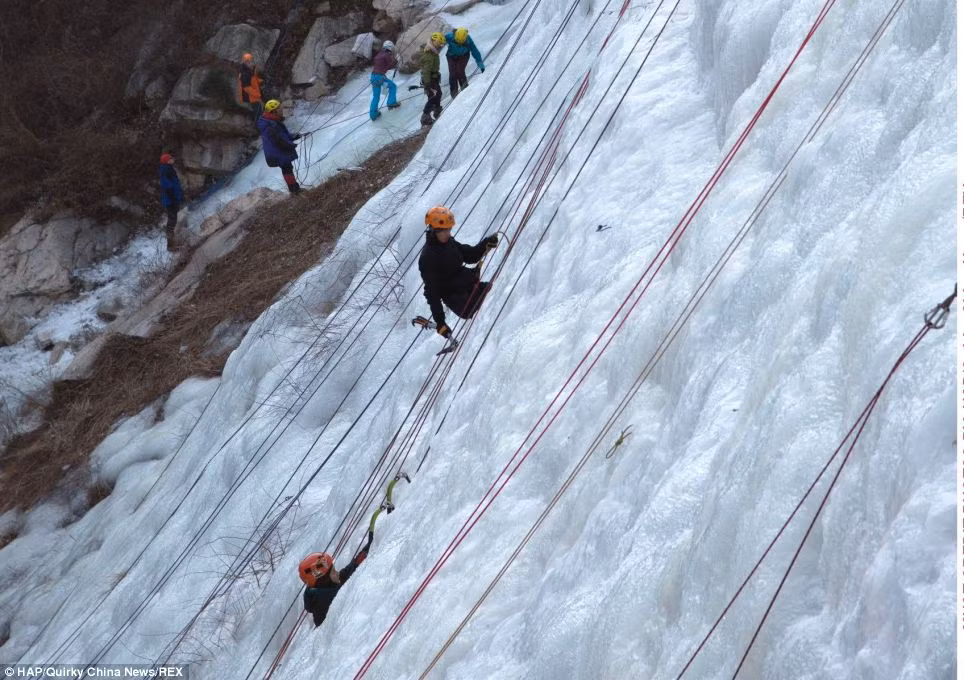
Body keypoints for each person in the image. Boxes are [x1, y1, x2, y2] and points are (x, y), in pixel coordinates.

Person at [418, 205, 498, 338]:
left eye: (449, 229)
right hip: (461, 302)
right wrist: (440, 322)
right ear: (433, 230)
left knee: (495, 291)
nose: (447, 233)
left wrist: (486, 244)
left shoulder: (449, 242)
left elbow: (470, 256)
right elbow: (432, 293)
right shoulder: (428, 258)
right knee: (489, 305)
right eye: (443, 231)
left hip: (471, 286)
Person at [300, 533, 371, 627]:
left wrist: (361, 556)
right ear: (323, 581)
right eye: (333, 572)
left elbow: (343, 575)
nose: (337, 573)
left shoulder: (325, 588)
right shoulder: (325, 600)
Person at [256, 99, 302, 194]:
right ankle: (295, 190)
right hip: (277, 152)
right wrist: (291, 145)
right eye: (279, 108)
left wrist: (293, 136)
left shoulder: (271, 122)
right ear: (274, 111)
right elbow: (278, 141)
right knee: (287, 168)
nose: (281, 110)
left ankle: (294, 189)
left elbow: (282, 136)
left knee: (287, 168)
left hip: (276, 152)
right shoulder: (270, 125)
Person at [444, 27, 485, 99]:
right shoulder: (449, 36)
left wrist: (481, 65)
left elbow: (475, 51)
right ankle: (454, 94)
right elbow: (440, 40)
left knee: (460, 71)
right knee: (453, 74)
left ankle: (465, 90)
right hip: (451, 56)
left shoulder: (469, 40)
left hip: (464, 55)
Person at [419, 32, 447, 126]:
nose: (440, 46)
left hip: (433, 78)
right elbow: (426, 70)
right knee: (433, 96)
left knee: (438, 94)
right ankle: (425, 116)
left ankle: (437, 110)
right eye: (439, 43)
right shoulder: (429, 55)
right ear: (434, 42)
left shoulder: (433, 52)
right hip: (429, 79)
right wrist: (427, 83)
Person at [158, 152, 184, 252]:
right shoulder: (165, 171)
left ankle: (172, 242)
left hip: (172, 199)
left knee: (173, 218)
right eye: (171, 158)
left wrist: (179, 196)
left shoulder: (169, 169)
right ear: (167, 161)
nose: (173, 159)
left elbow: (174, 185)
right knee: (172, 219)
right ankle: (170, 245)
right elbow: (168, 187)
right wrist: (174, 198)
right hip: (170, 200)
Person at [370, 40, 400, 121]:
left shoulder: (378, 55)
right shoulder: (386, 55)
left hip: (373, 77)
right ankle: (391, 103)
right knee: (393, 86)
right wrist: (396, 60)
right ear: (390, 48)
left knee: (376, 96)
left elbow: (385, 66)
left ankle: (373, 114)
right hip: (380, 77)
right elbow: (391, 64)